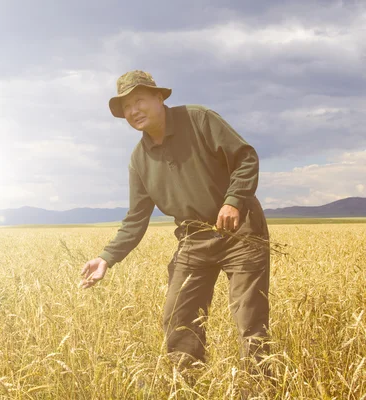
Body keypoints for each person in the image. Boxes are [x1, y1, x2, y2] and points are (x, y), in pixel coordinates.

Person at [80, 70, 271, 373]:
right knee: (178, 318)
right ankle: (189, 386)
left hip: (241, 231)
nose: (134, 111)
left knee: (250, 320)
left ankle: (259, 390)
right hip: (194, 238)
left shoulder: (199, 119)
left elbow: (246, 158)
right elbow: (135, 219)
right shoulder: (139, 159)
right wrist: (106, 258)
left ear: (159, 97)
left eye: (139, 101)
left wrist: (233, 200)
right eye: (126, 107)